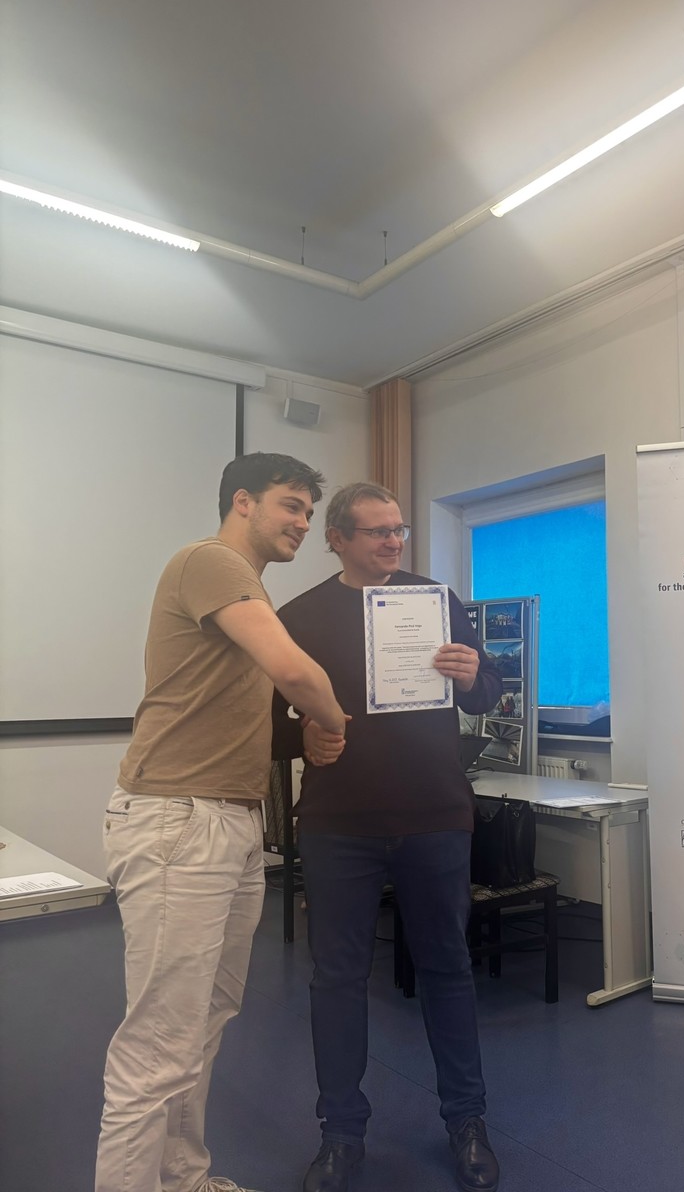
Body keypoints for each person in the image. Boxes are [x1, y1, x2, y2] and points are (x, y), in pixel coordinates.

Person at [96, 453, 347, 1192]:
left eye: (308, 512)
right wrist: (332, 721)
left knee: (203, 1022)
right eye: (291, 505)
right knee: (158, 1046)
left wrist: (305, 733)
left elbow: (244, 715)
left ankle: (182, 1177)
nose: (302, 523)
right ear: (243, 502)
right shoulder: (210, 562)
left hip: (229, 822)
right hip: (180, 820)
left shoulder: (245, 590)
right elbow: (297, 675)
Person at [272, 482, 503, 1192]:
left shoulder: (436, 601)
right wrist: (301, 738)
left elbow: (488, 690)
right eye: (376, 532)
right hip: (339, 824)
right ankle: (341, 1135)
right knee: (337, 979)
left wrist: (474, 674)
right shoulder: (298, 616)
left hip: (434, 815)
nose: (393, 542)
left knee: (447, 970)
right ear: (337, 539)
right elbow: (265, 721)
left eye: (398, 530)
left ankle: (467, 1122)